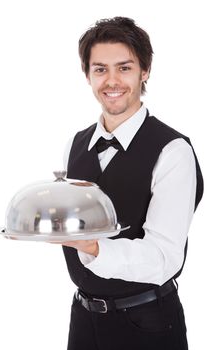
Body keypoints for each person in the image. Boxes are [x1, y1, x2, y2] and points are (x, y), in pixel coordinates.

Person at [60, 17, 204, 350]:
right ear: (87, 75)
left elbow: (165, 257)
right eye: (100, 69)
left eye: (124, 68)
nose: (112, 81)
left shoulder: (173, 150)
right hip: (82, 318)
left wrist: (94, 249)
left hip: (146, 322)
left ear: (145, 71)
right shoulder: (75, 144)